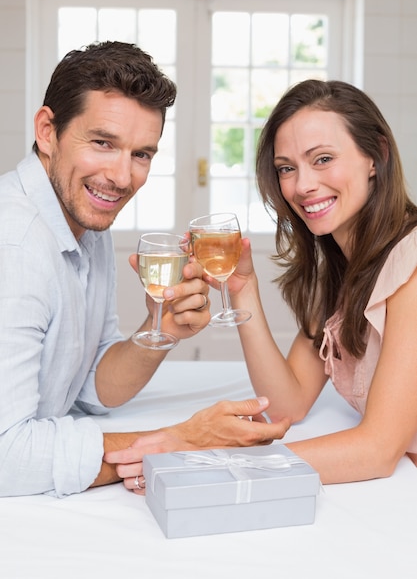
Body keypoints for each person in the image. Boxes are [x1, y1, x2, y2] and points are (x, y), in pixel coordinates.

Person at [0, 41, 290, 498]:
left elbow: (93, 387)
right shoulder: (13, 247)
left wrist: (164, 328)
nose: (121, 177)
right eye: (102, 143)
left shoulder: (82, 222)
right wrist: (177, 443)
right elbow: (7, 457)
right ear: (46, 131)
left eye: (142, 154)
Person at [224, 78, 417, 484]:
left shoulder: (411, 264)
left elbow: (377, 451)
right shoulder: (347, 267)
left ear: (375, 156)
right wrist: (242, 289)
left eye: (323, 159)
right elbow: (286, 405)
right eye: (287, 168)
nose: (302, 185)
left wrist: (218, 467)